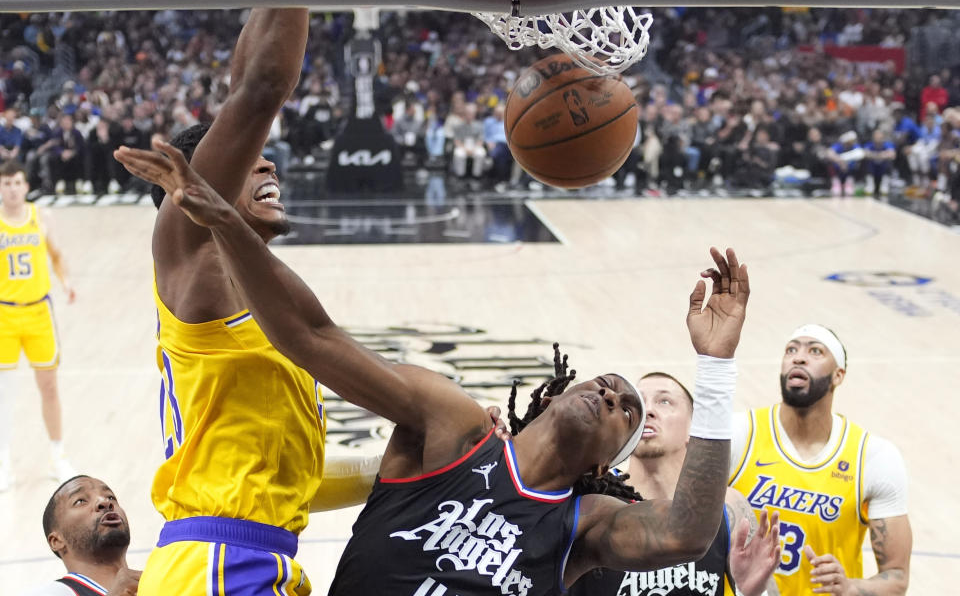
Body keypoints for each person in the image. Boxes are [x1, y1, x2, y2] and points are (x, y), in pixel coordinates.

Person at [115, 137, 750, 596]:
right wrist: (228, 224)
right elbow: (311, 336)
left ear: (605, 466)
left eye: (626, 413)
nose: (614, 393)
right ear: (553, 393)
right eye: (609, 384)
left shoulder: (581, 526)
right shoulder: (453, 430)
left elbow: (685, 534)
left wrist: (715, 367)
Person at [116, 8, 334, 595]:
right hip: (216, 562)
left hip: (252, 557)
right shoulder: (192, 257)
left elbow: (288, 472)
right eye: (248, 157)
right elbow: (257, 90)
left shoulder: (271, 288)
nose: (267, 162)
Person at [729, 324, 911, 595]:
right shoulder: (738, 434)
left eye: (815, 351)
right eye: (791, 349)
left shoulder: (874, 457)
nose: (798, 357)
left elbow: (896, 578)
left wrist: (851, 587)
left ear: (838, 375)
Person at [569, 371, 781, 596]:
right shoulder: (593, 504)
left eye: (664, 401)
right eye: (638, 403)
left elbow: (765, 589)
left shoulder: (727, 505)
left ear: (695, 426)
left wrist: (752, 592)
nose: (648, 410)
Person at [0, 160, 77, 490]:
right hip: (4, 315)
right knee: (4, 394)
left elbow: (57, 254)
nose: (13, 189)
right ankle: (3, 461)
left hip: (39, 313)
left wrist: (67, 281)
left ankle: (57, 456)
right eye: (6, 183)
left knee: (49, 387)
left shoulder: (41, 217)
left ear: (26, 185)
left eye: (18, 182)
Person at [23, 475, 141, 596]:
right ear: (56, 541)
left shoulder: (152, 583)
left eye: (110, 497)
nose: (105, 502)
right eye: (80, 501)